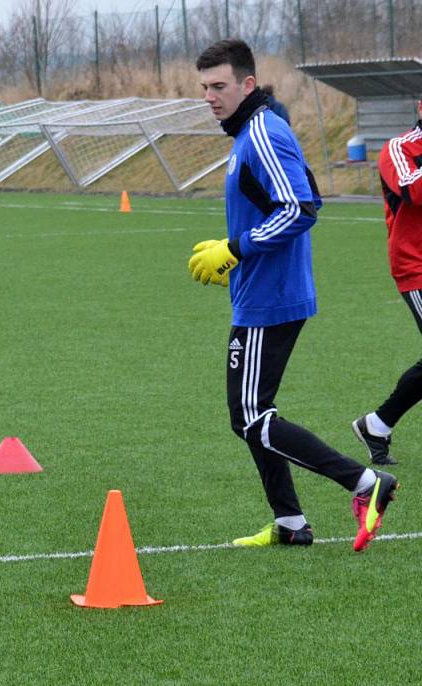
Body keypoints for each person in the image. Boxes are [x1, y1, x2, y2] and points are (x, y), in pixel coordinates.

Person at [188, 39, 396, 551]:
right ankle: (290, 522)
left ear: (247, 84)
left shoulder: (262, 134)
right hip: (259, 293)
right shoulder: (248, 135)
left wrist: (235, 248)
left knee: (251, 417)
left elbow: (301, 208)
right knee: (255, 413)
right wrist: (231, 245)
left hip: (271, 298)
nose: (210, 97)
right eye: (205, 88)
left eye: (219, 86)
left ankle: (366, 482)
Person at [352, 99, 422, 466]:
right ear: (420, 107)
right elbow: (414, 191)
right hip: (416, 265)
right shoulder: (399, 149)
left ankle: (376, 425)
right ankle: (376, 425)